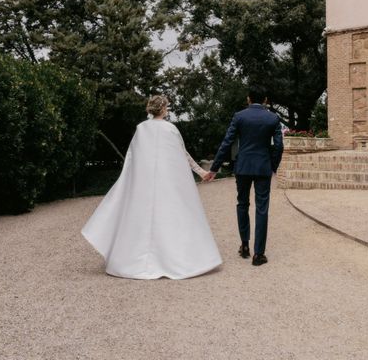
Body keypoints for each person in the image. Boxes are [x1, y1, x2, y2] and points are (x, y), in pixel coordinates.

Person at [82, 95, 222, 279]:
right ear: (163, 108)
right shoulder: (170, 129)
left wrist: (130, 180)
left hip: (144, 183)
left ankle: (134, 260)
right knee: (172, 214)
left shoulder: (141, 129)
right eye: (168, 107)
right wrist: (201, 172)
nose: (168, 110)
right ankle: (177, 258)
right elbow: (183, 154)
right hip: (169, 182)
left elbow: (132, 157)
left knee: (142, 216)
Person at [204, 87, 283, 266]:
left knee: (242, 204)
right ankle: (259, 254)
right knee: (262, 208)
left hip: (243, 167)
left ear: (248, 99)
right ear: (265, 100)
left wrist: (214, 168)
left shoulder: (239, 116)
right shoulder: (273, 118)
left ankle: (245, 245)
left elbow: (227, 142)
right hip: (263, 167)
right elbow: (278, 146)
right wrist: (273, 166)